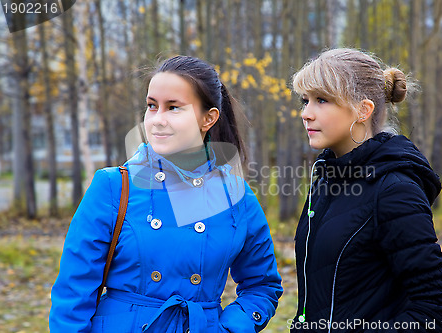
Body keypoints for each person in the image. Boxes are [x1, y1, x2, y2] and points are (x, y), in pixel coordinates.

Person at [49, 55, 283, 333]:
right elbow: (73, 294)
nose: (157, 120)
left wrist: (230, 328)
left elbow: (262, 285)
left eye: (173, 108)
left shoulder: (237, 198)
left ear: (208, 118)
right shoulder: (113, 186)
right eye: (151, 106)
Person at [290, 48, 442, 332]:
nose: (306, 114)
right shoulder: (325, 179)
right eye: (305, 101)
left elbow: (437, 313)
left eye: (322, 100)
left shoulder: (395, 190)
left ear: (363, 110)